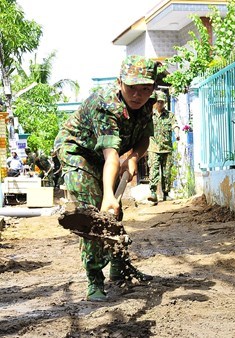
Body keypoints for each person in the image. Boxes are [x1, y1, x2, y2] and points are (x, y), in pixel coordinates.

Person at [54, 55, 158, 302]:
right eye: (132, 88)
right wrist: (109, 195)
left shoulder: (145, 105)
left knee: (113, 212)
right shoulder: (105, 105)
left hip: (104, 157)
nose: (138, 95)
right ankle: (94, 279)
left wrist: (133, 157)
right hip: (78, 152)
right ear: (120, 82)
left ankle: (119, 266)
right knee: (94, 213)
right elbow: (111, 156)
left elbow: (144, 138)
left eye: (145, 89)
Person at [147, 90, 176, 203]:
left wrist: (177, 133)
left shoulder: (170, 115)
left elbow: (175, 125)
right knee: (154, 170)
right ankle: (153, 193)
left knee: (166, 172)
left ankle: (166, 193)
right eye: (158, 102)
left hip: (166, 148)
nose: (160, 104)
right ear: (155, 102)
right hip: (153, 147)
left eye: (162, 102)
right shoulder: (150, 115)